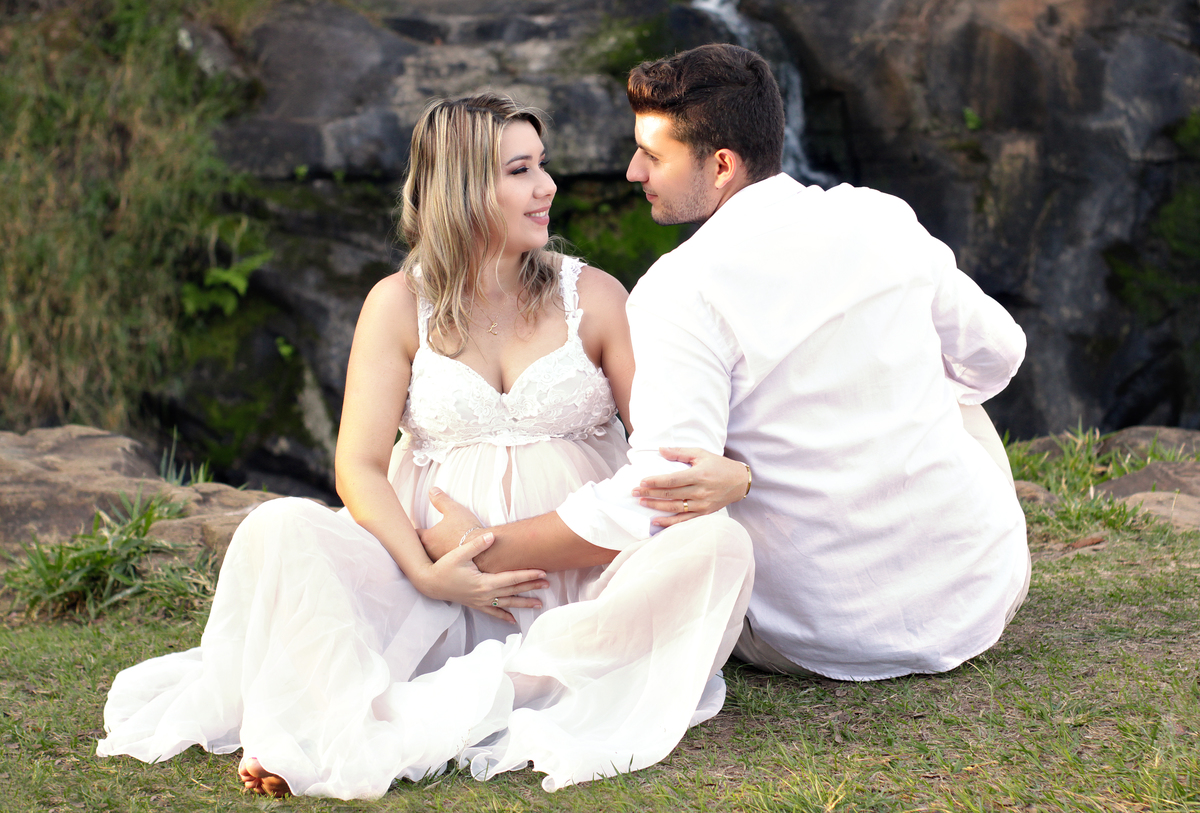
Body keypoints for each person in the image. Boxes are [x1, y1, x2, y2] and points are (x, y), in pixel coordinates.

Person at [96, 93, 754, 799]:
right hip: (427, 574)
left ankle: (460, 699)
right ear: (464, 187)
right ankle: (478, 688)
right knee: (278, 526)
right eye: (521, 170)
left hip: (575, 573)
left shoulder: (593, 295)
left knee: (717, 546)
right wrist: (426, 568)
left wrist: (732, 475)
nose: (548, 186)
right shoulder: (397, 303)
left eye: (543, 165)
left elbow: (659, 449)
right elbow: (357, 465)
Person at [421, 45, 1031, 682]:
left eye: (653, 156)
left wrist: (483, 546)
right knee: (958, 396)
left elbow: (657, 499)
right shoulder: (880, 215)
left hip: (815, 634)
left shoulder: (680, 288)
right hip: (981, 593)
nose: (632, 172)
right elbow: (998, 356)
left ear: (720, 166)